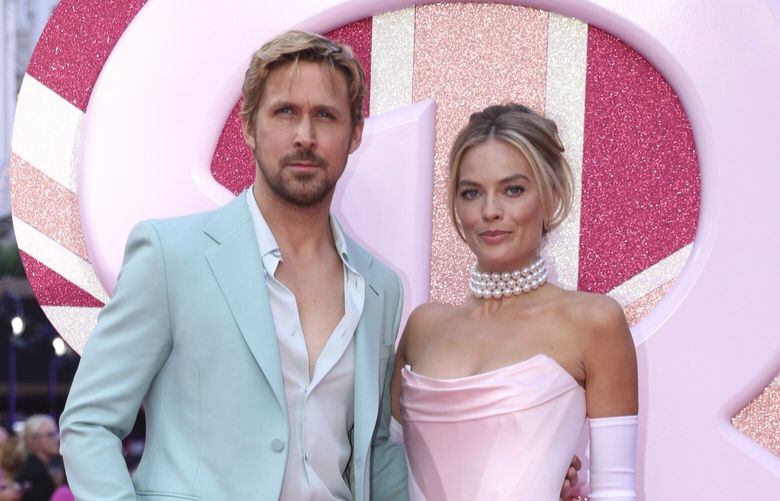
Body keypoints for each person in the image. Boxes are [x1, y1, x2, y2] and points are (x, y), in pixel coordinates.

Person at [59, 31, 406, 500]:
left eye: (325, 115)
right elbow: (89, 421)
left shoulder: (379, 286)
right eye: (285, 112)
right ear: (248, 126)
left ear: (355, 134)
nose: (305, 135)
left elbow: (375, 446)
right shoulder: (170, 255)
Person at [391, 103, 638, 501]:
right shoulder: (423, 328)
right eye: (472, 193)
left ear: (552, 196)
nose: (490, 211)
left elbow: (617, 492)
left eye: (513, 190)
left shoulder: (595, 322)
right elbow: (383, 473)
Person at [15, 416, 59, 501]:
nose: (57, 438)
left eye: (56, 433)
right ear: (32, 441)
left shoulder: (36, 468)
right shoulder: (33, 473)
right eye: (50, 435)